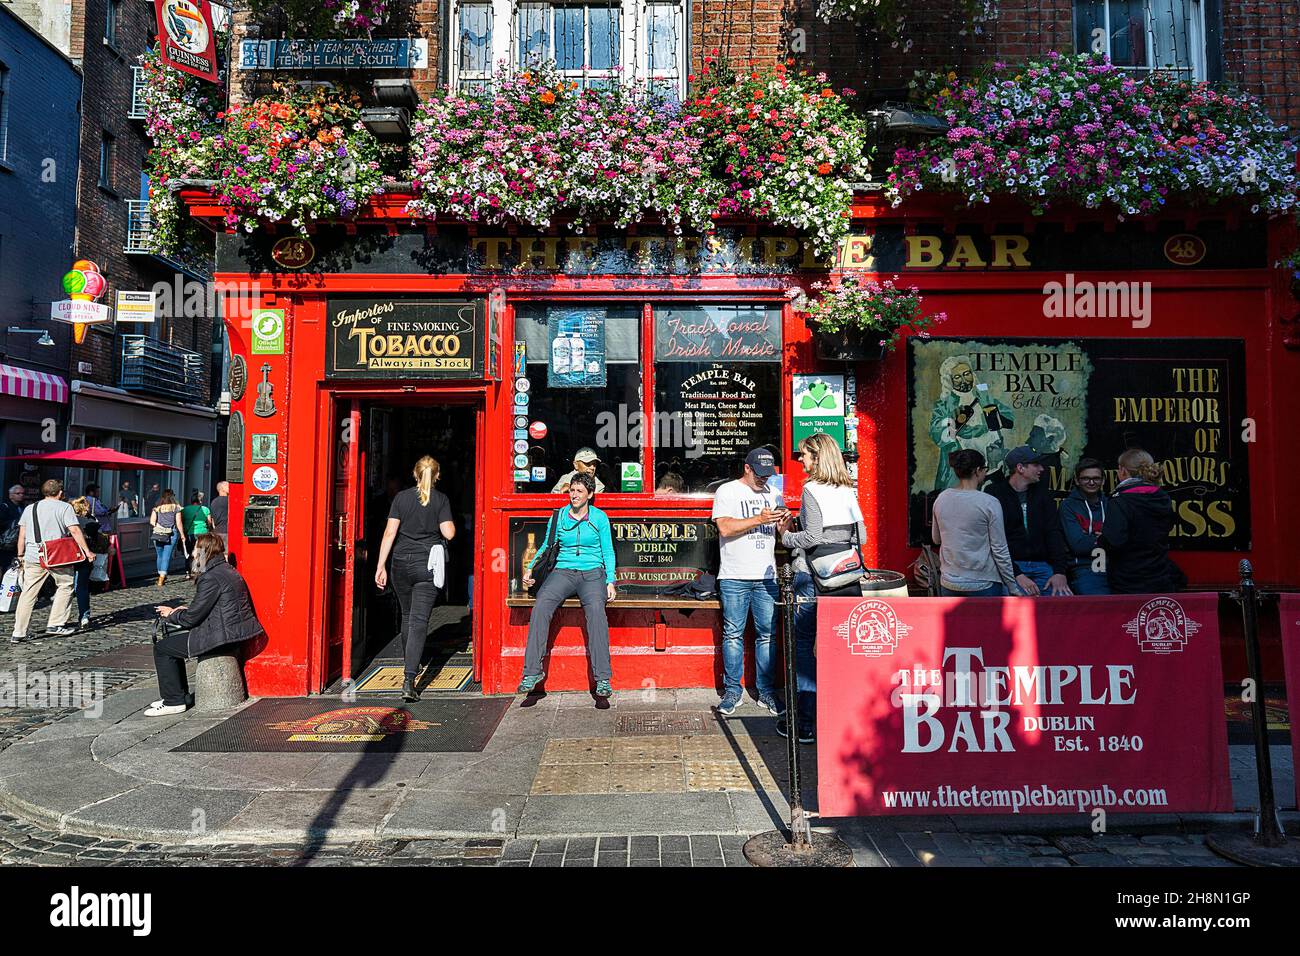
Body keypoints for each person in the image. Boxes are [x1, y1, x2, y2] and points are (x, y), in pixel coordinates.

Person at [776, 433, 865, 744]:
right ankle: (841, 715)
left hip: (812, 577)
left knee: (803, 646)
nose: (801, 461)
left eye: (804, 455)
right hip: (847, 578)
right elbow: (861, 537)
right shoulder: (846, 489)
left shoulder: (811, 489)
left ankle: (805, 721)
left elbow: (812, 538)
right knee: (841, 646)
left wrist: (786, 536)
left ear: (817, 457)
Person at [519, 472, 616, 698]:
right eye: (572, 490)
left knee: (596, 612)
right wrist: (530, 567)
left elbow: (608, 550)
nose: (574, 495)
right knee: (541, 605)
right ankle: (532, 672)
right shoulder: (559, 516)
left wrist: (610, 580)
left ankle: (602, 678)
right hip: (563, 571)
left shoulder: (599, 518)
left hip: (593, 572)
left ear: (590, 494)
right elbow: (546, 545)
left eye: (580, 491)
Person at [150, 534, 264, 716]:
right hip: (230, 631)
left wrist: (172, 615)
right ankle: (180, 696)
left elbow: (191, 619)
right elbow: (207, 607)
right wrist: (184, 609)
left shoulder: (210, 577)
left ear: (204, 550)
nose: (194, 553)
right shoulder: (224, 569)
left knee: (163, 648)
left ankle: (174, 700)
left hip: (221, 637)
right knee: (170, 646)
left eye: (196, 548)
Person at [711, 447, 786, 717]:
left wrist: (784, 525)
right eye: (759, 474)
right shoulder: (727, 491)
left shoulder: (774, 493)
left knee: (767, 634)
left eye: (768, 474)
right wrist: (759, 519)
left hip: (766, 575)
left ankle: (765, 691)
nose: (764, 479)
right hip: (734, 574)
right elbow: (725, 528)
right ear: (747, 468)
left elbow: (781, 535)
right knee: (733, 634)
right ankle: (733, 690)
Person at [374, 456, 456, 702]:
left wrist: (381, 565)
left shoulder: (401, 498)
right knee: (419, 620)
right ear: (437, 475)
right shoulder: (441, 499)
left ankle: (411, 667)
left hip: (400, 562)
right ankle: (409, 679)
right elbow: (449, 533)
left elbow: (390, 532)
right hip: (427, 564)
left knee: (408, 616)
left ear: (414, 473)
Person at [9, 480, 94, 643]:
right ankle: (56, 623)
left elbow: (22, 535)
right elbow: (75, 530)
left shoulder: (30, 508)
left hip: (33, 555)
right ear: (60, 493)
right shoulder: (65, 507)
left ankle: (18, 632)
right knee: (66, 585)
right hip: (57, 556)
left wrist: (20, 556)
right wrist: (87, 551)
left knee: (28, 593)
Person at [931, 449, 1022, 598]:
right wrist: (1012, 586)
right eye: (984, 469)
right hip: (983, 582)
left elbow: (936, 539)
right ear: (977, 471)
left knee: (955, 622)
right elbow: (1000, 549)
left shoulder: (942, 498)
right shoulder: (989, 503)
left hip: (948, 580)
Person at [984, 446, 1072, 596]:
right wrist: (1016, 574)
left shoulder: (1043, 493)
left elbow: (1054, 532)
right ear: (1020, 468)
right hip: (1010, 567)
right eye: (1036, 464)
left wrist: (1059, 572)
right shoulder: (995, 493)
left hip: (1043, 566)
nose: (1042, 469)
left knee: (1062, 601)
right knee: (1019, 608)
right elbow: (993, 541)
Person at [1100, 448, 1187, 594]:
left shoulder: (1120, 501)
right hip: (1159, 573)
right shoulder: (1163, 497)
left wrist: (1101, 540)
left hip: (1128, 578)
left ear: (1122, 471)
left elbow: (1114, 540)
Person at [928, 354, 1014, 490]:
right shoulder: (945, 404)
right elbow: (936, 433)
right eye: (957, 377)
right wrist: (953, 420)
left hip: (991, 465)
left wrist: (993, 418)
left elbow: (1008, 418)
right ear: (949, 381)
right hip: (962, 470)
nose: (964, 379)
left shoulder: (983, 395)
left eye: (967, 374)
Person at [1059, 457, 1111, 595]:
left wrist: (1090, 537)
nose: (1091, 482)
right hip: (1085, 568)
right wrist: (1105, 538)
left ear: (1103, 480)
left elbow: (1123, 539)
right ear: (1077, 480)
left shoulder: (1111, 504)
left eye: (1096, 478)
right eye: (1086, 478)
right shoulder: (1068, 506)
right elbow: (1078, 545)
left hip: (1115, 567)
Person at [69, 497, 107, 629]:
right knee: (82, 587)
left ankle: (60, 618)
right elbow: (100, 539)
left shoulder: (69, 520)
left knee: (67, 587)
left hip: (67, 556)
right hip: (85, 556)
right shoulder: (91, 520)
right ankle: (84, 615)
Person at [149, 490, 186, 588]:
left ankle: (160, 575)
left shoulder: (157, 508)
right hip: (171, 533)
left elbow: (152, 521)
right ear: (172, 496)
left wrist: (160, 526)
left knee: (159, 555)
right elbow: (179, 523)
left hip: (158, 533)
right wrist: (182, 535)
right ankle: (161, 577)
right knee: (166, 556)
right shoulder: (176, 508)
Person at [181, 492, 213, 579]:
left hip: (189, 533)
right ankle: (199, 571)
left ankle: (188, 572)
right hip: (202, 532)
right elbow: (209, 522)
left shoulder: (185, 509)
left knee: (188, 552)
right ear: (200, 501)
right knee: (201, 552)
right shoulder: (205, 509)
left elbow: (181, 521)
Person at [0, 485, 23, 571]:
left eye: (22, 493)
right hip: (6, 542)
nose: (21, 495)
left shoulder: (22, 507)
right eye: (18, 493)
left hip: (17, 541)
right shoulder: (4, 507)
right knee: (4, 565)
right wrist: (13, 523)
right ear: (11, 495)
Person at [209, 481, 230, 547]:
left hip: (217, 531)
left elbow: (212, 519)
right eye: (228, 486)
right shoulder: (230, 501)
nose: (230, 487)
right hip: (227, 531)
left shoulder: (214, 502)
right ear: (222, 489)